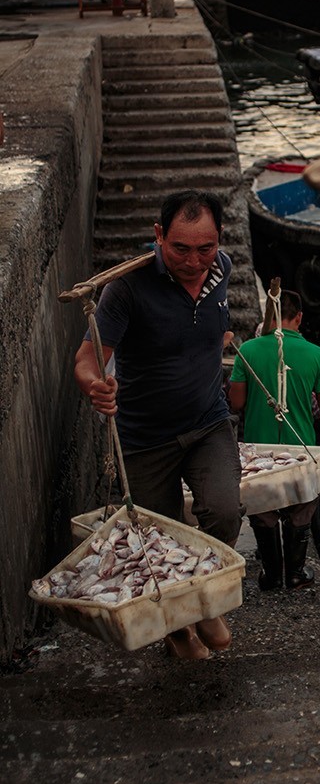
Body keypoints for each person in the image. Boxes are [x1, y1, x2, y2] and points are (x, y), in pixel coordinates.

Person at [74, 190, 243, 662]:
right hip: (146, 438)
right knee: (159, 538)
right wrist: (95, 386)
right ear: (158, 236)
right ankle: (178, 630)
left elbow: (209, 324)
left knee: (225, 510)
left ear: (219, 241)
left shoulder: (223, 269)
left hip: (208, 422)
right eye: (180, 249)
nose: (194, 261)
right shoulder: (125, 289)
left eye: (205, 248)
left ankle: (203, 595)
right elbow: (89, 360)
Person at [228, 290, 320, 591]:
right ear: (299, 317)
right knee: (302, 507)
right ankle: (295, 573)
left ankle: (272, 574)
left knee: (262, 510)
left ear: (268, 318)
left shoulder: (248, 351)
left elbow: (235, 402)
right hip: (301, 447)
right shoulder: (317, 354)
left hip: (258, 450)